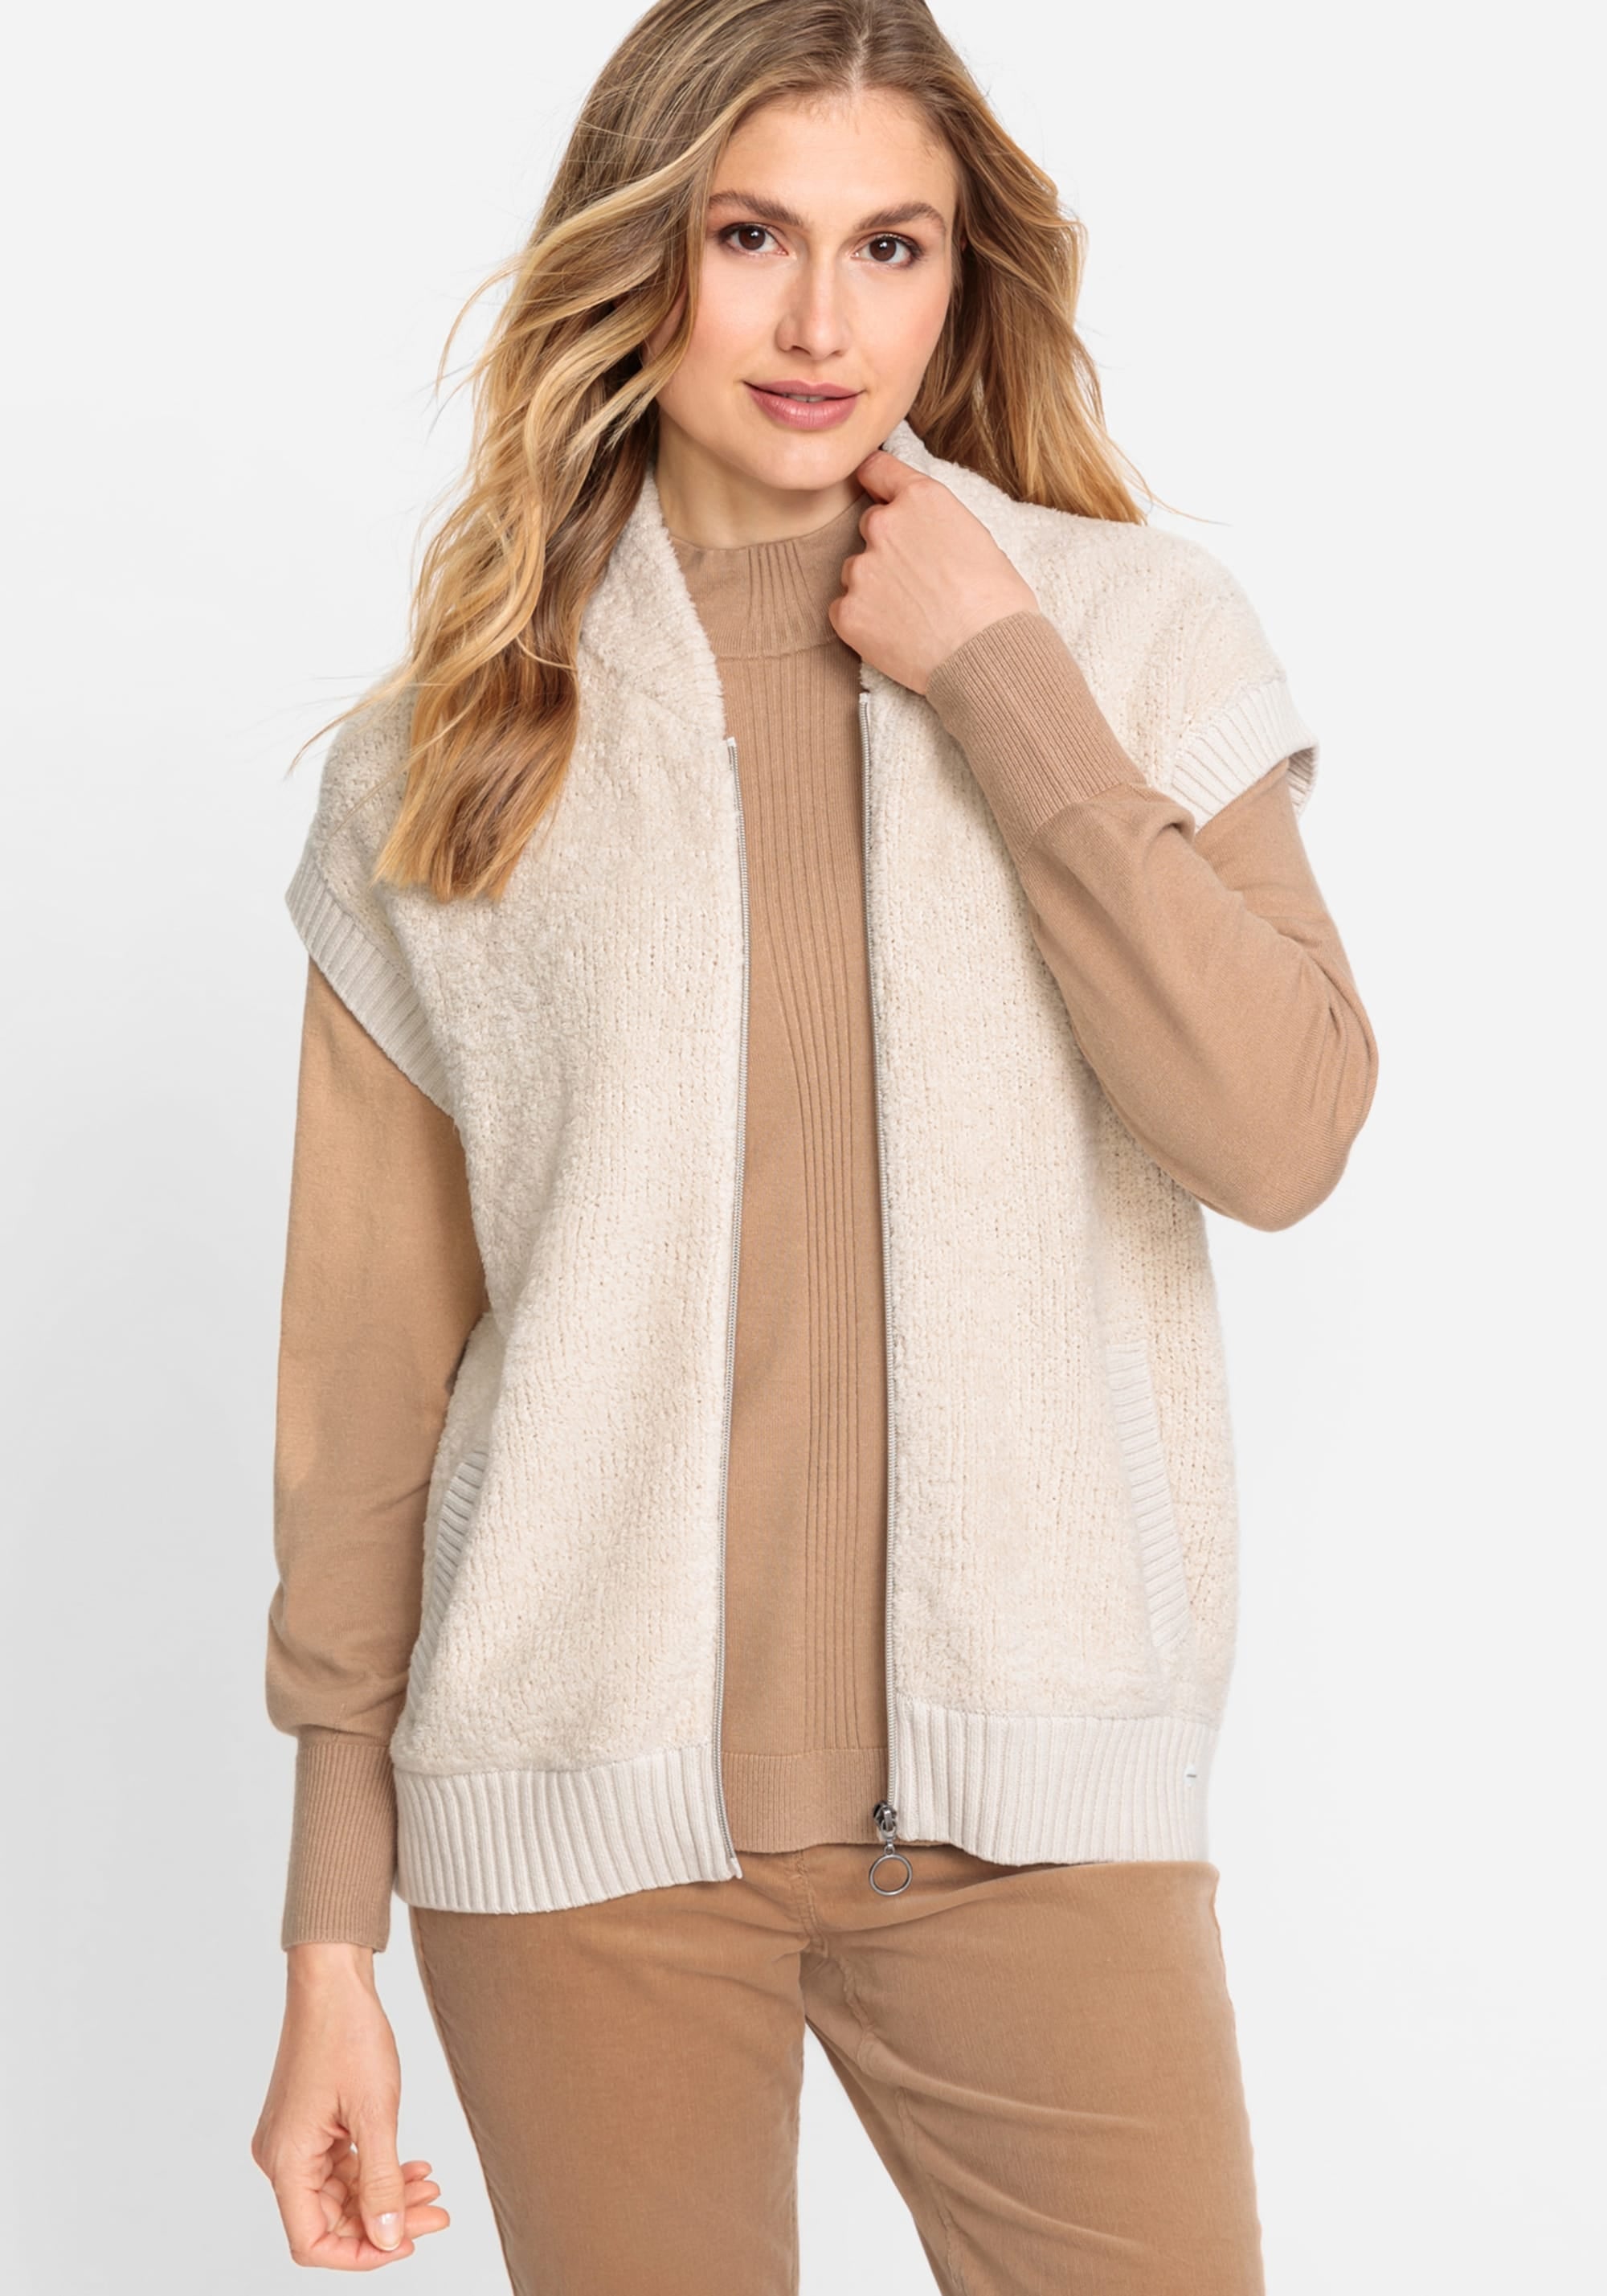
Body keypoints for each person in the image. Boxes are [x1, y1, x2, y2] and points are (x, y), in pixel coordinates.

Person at [250, 1, 1378, 2286]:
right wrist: (327, 1938)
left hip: (1040, 1811)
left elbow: (1281, 1131)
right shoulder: (452, 751)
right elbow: (367, 1393)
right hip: (575, 1839)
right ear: (639, 250)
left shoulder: (1129, 635)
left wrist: (1001, 678)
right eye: (750, 235)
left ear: (967, 278)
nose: (817, 325)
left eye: (893, 247)